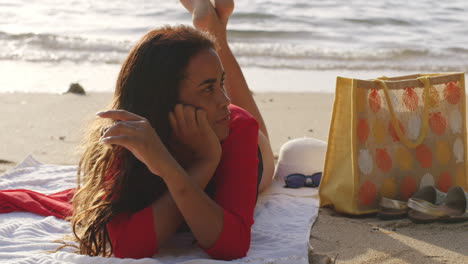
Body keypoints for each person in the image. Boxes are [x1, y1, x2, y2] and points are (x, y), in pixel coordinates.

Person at [70, 0, 275, 260]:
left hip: (242, 137)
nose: (225, 99)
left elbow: (232, 246)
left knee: (266, 159)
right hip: (205, 128)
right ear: (162, 99)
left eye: (221, 85)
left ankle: (217, 34)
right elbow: (127, 246)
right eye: (208, 88)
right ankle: (214, 30)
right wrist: (191, 166)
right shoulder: (129, 137)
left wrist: (200, 161)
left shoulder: (238, 128)